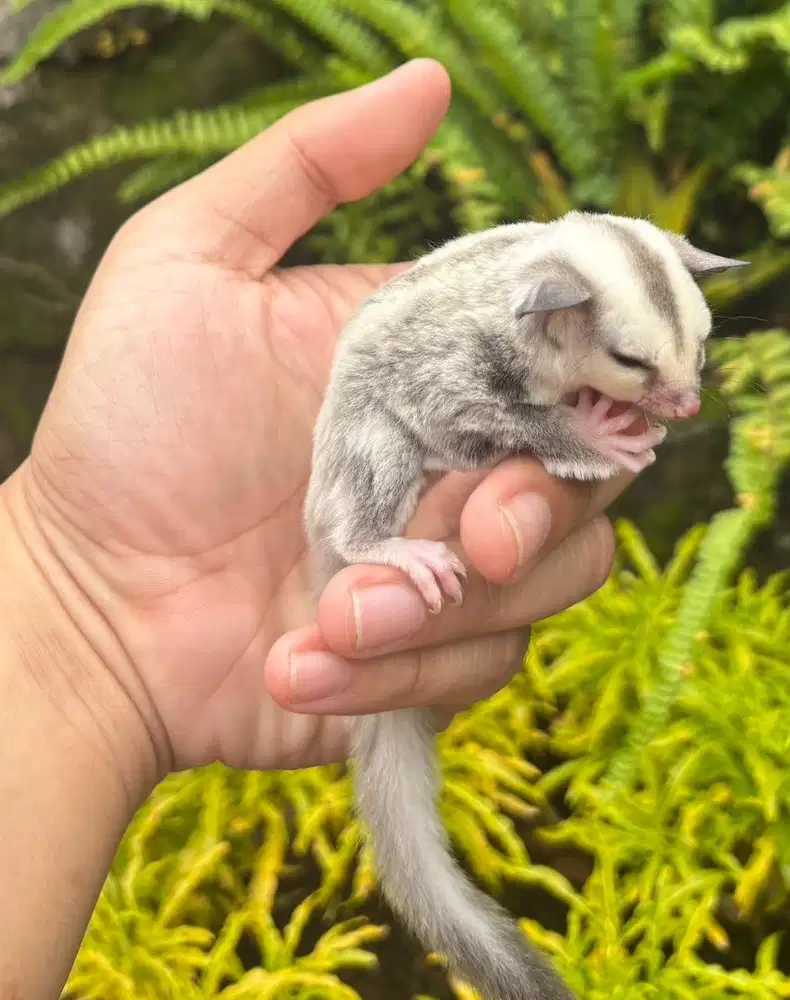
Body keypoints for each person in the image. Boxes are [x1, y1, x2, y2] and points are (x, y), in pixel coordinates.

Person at [0, 59, 635, 998]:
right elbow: (463, 406)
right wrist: (72, 608)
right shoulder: (492, 332)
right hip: (368, 482)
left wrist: (78, 636)